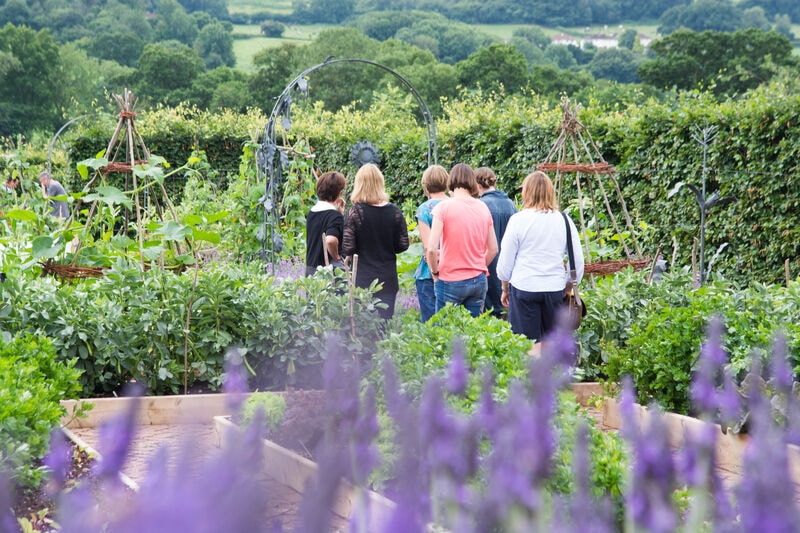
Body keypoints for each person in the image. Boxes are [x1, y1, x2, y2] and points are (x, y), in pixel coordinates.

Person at [496, 171, 584, 355]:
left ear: (526, 192)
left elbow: (505, 266)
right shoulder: (564, 220)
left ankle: (532, 382)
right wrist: (567, 287)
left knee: (529, 346)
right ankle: (552, 381)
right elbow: (578, 262)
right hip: (554, 289)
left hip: (524, 287)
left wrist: (505, 289)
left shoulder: (518, 220)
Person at [426, 163, 498, 318]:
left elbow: (431, 248)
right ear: (472, 182)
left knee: (445, 333)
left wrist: (434, 273)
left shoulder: (443, 207)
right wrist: (477, 265)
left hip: (450, 280)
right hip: (478, 280)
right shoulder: (483, 207)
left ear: (451, 181)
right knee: (471, 333)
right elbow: (493, 248)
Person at [342, 163, 409, 320]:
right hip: (388, 277)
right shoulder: (395, 212)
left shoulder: (355, 212)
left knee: (364, 328)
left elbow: (348, 248)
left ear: (359, 184)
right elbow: (403, 245)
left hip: (363, 278)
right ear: (380, 183)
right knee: (384, 325)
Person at [475, 166, 517, 319]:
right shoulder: (511, 204)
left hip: (489, 265)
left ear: (478, 186)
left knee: (490, 315)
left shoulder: (481, 206)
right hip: (510, 267)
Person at [414, 165, 449, 322]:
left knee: (431, 324)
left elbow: (428, 246)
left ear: (426, 184)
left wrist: (434, 272)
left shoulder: (424, 209)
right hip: (454, 269)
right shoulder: (455, 204)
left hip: (429, 273)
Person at [305, 171, 347, 275]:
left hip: (311, 270)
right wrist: (336, 257)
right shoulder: (334, 216)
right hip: (326, 274)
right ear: (339, 193)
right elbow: (330, 240)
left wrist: (339, 213)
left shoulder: (312, 212)